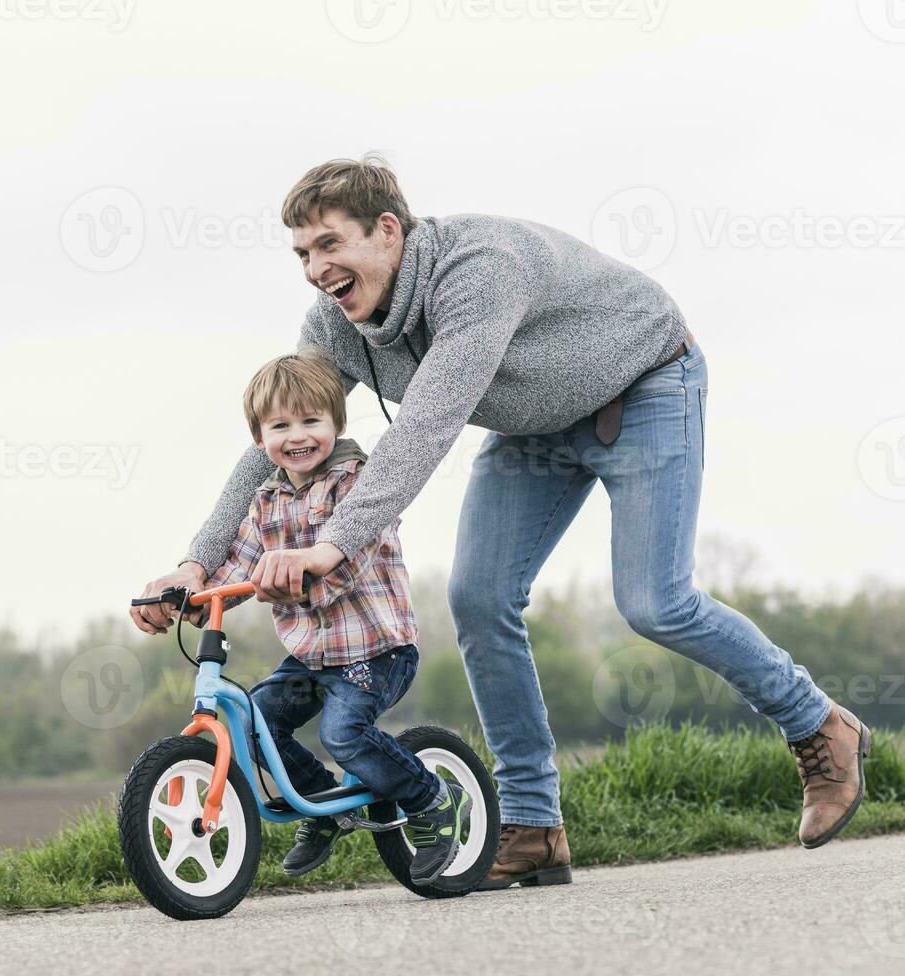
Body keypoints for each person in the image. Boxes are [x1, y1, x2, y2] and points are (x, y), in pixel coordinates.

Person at [131, 154, 871, 890]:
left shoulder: (476, 271)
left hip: (642, 385)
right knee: (479, 599)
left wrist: (330, 544)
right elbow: (275, 442)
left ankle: (816, 723)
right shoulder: (334, 322)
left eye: (330, 244)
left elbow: (424, 427)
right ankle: (530, 826)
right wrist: (196, 562)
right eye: (302, 253)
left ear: (386, 231)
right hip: (533, 427)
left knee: (655, 601)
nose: (314, 268)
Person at [183, 349, 470, 882]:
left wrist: (299, 574)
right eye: (280, 425)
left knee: (344, 734)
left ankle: (433, 801)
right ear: (258, 438)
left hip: (376, 651)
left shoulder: (358, 481)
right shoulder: (264, 499)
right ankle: (325, 808)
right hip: (313, 657)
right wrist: (192, 600)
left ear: (336, 423)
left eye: (311, 420)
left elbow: (350, 562)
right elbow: (242, 563)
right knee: (252, 721)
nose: (298, 435)